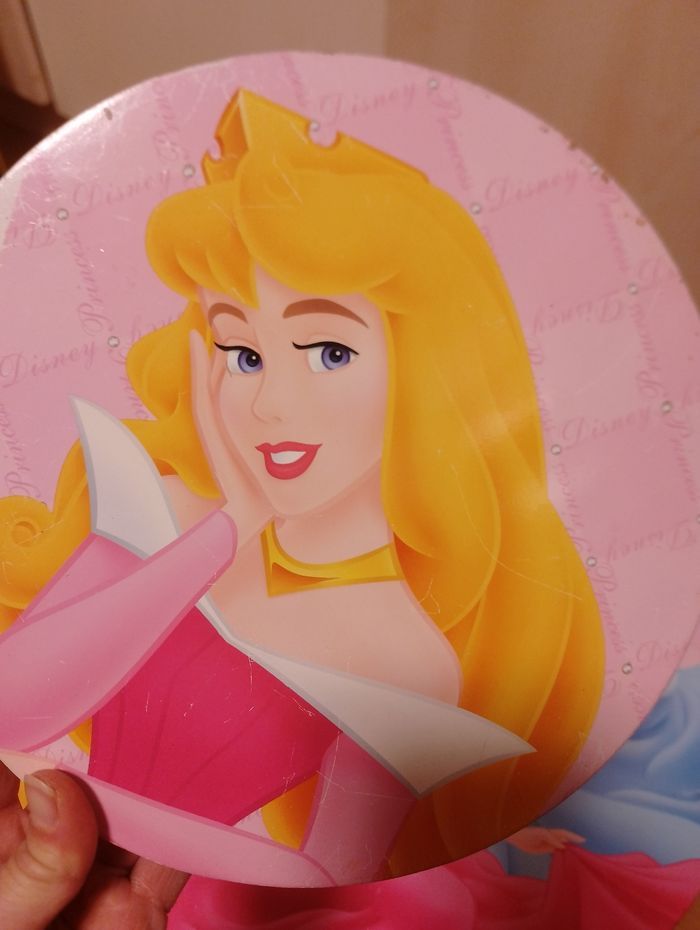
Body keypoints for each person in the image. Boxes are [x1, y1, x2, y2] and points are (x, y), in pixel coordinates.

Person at [0, 89, 604, 883]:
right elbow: (16, 705)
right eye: (243, 355)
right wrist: (228, 532)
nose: (271, 405)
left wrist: (76, 807)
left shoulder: (406, 654)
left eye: (328, 352)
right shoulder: (159, 509)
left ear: (424, 368)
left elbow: (324, 870)